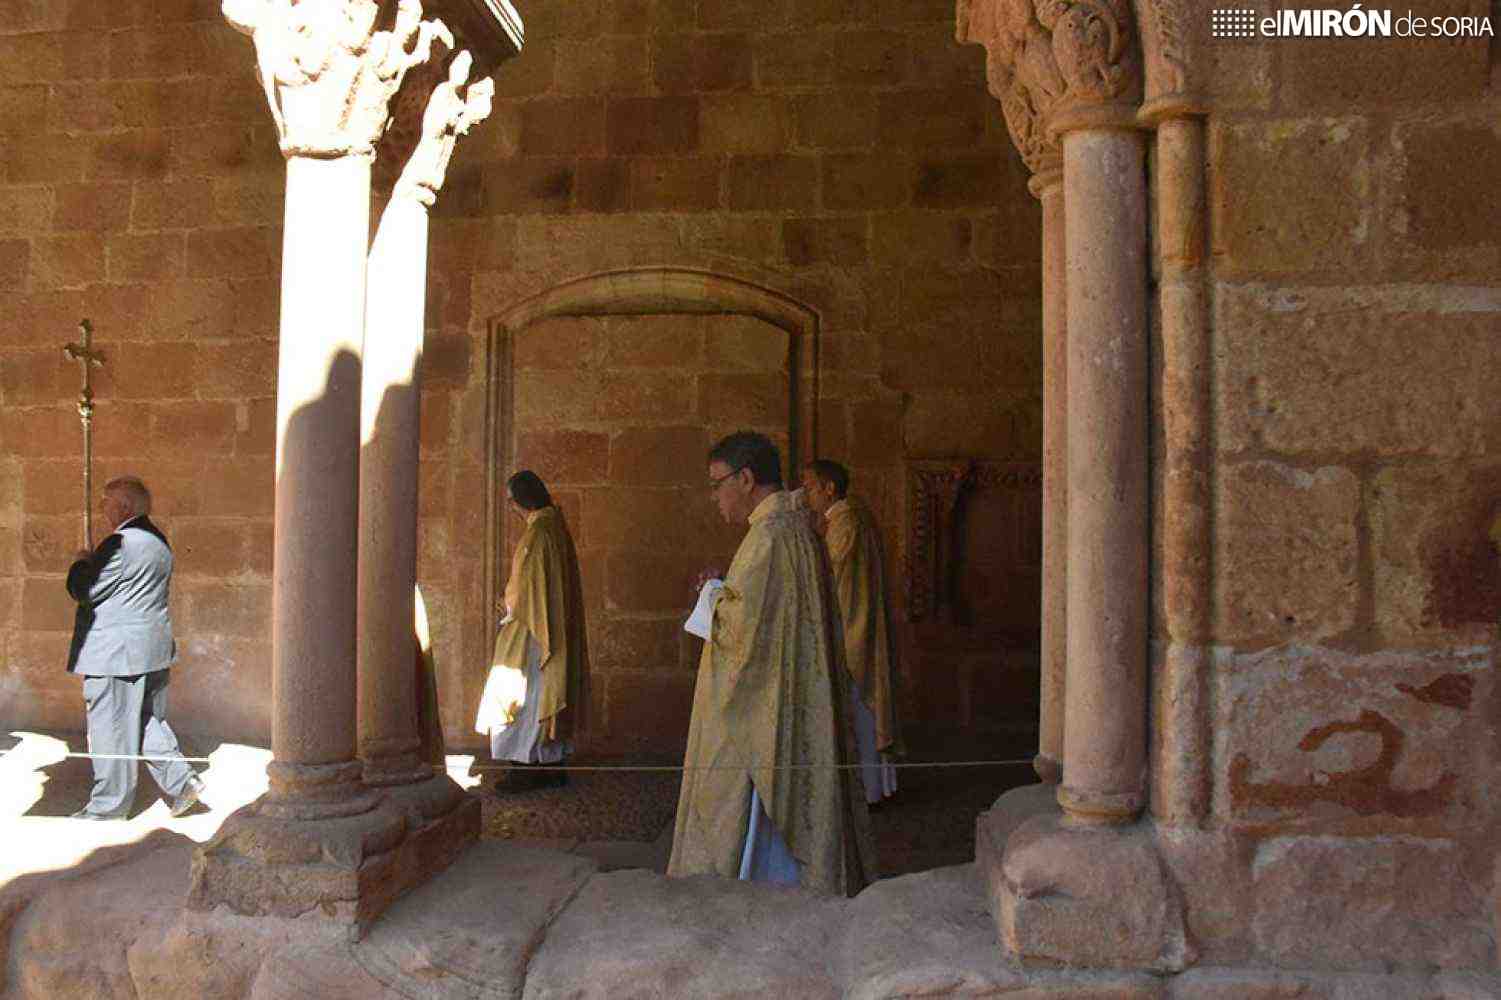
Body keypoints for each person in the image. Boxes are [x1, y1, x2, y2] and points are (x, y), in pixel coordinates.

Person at [669, 432, 875, 896]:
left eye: (717, 483)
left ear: (745, 478)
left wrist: (711, 598)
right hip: (797, 698)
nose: (715, 497)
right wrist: (725, 588)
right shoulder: (793, 527)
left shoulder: (768, 537)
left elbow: (745, 633)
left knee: (752, 832)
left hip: (765, 720)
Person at [65, 476, 205, 820]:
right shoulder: (157, 540)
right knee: (144, 722)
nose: (102, 509)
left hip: (116, 655)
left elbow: (86, 590)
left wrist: (82, 562)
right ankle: (181, 782)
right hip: (148, 650)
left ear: (124, 506)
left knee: (111, 728)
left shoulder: (121, 543)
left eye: (106, 502)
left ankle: (107, 807)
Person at [475, 471, 588, 791]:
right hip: (549, 630)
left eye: (510, 501)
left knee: (516, 698)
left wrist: (507, 606)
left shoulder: (538, 533)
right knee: (541, 700)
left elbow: (526, 589)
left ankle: (526, 769)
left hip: (532, 635)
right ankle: (551, 766)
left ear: (517, 502)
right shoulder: (555, 526)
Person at [801, 460, 901, 805]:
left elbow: (830, 574)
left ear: (830, 488)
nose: (807, 495)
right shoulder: (848, 518)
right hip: (856, 625)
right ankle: (872, 787)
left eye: (811, 487)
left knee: (858, 710)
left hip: (852, 629)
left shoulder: (845, 522)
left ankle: (868, 791)